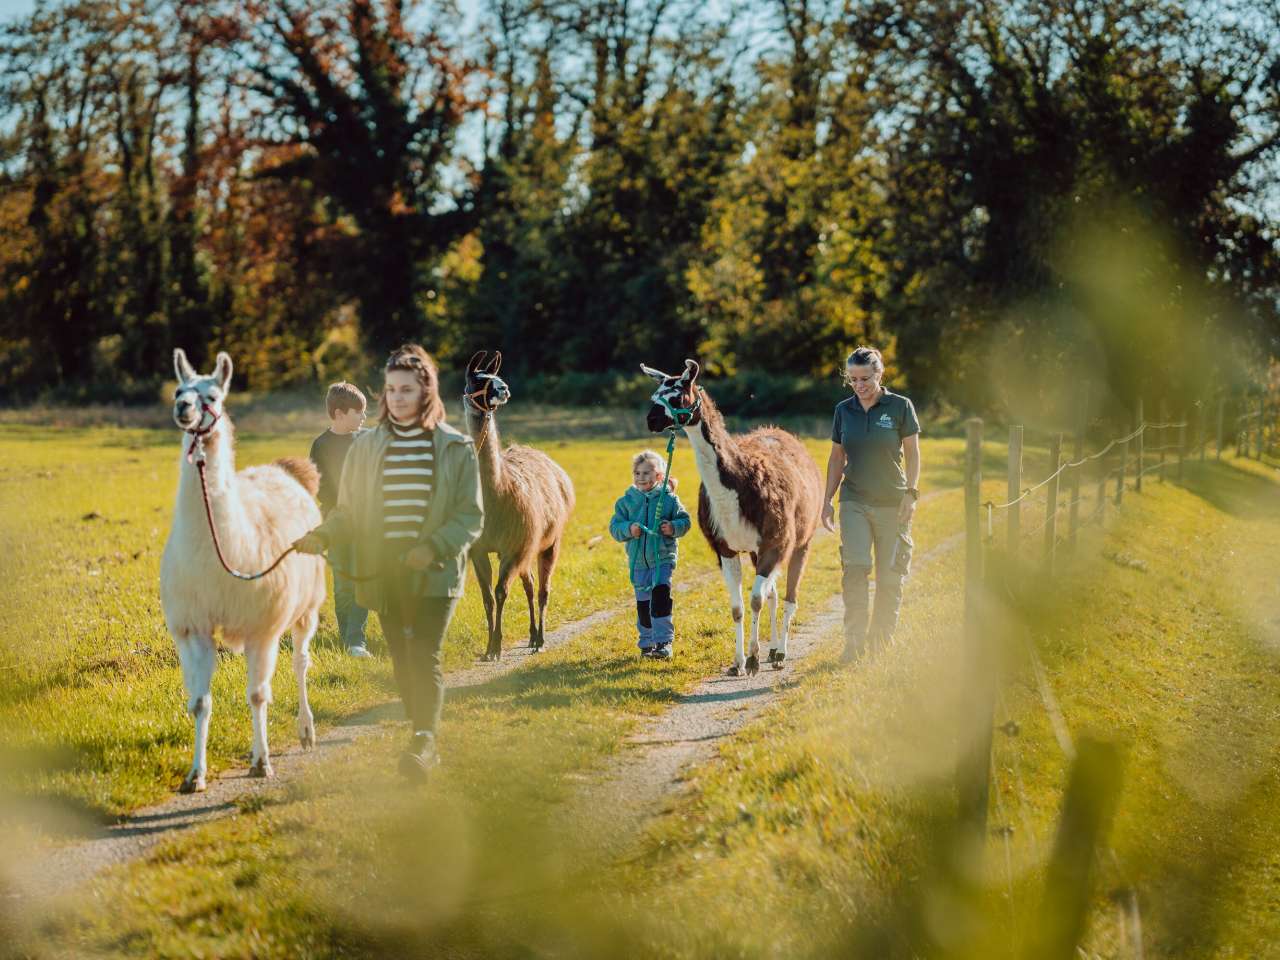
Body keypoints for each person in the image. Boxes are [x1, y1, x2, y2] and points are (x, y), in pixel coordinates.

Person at [294, 345, 483, 782]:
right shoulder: (366, 446)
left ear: (426, 391)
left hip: (434, 573)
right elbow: (348, 511)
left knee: (424, 655)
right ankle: (422, 729)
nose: (398, 397)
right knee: (401, 658)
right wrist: (322, 534)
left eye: (408, 389)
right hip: (384, 573)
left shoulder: (454, 447)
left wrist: (433, 547)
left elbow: (470, 517)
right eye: (392, 389)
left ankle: (423, 740)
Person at [820, 346, 921, 663]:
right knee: (855, 569)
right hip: (855, 501)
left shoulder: (900, 407)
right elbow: (837, 458)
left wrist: (911, 492)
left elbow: (914, 454)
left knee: (890, 575)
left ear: (879, 374)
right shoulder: (843, 410)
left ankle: (881, 641)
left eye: (865, 378)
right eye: (853, 379)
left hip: (894, 502)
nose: (859, 385)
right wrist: (827, 501)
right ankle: (853, 642)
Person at [308, 382, 372, 658]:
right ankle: (347, 637)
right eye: (358, 412)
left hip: (366, 521)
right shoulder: (321, 445)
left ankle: (356, 640)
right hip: (335, 520)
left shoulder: (367, 439)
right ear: (338, 413)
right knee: (343, 582)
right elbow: (316, 482)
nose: (363, 417)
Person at [609, 450, 692, 660]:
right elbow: (615, 528)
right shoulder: (626, 502)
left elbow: (685, 521)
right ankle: (647, 643)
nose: (641, 477)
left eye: (647, 473)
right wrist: (629, 529)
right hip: (638, 562)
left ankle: (664, 642)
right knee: (643, 604)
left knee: (660, 597)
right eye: (637, 473)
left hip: (662, 558)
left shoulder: (669, 500)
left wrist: (673, 527)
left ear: (659, 477)